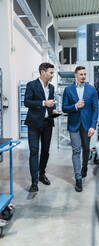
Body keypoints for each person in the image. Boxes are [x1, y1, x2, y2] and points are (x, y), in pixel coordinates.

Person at [24, 62, 60, 193]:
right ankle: (34, 182)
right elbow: (27, 102)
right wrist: (44, 103)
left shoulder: (51, 87)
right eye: (51, 72)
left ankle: (41, 174)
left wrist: (53, 110)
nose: (52, 75)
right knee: (34, 152)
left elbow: (50, 104)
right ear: (43, 72)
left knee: (45, 151)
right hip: (33, 124)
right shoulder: (31, 85)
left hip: (47, 123)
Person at [62, 66, 98, 192]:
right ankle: (78, 178)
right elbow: (64, 108)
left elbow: (95, 109)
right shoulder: (68, 90)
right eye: (81, 74)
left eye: (84, 74)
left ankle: (84, 167)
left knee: (86, 149)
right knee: (76, 150)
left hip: (87, 125)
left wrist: (93, 126)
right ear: (75, 75)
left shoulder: (92, 90)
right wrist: (75, 106)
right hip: (74, 125)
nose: (83, 76)